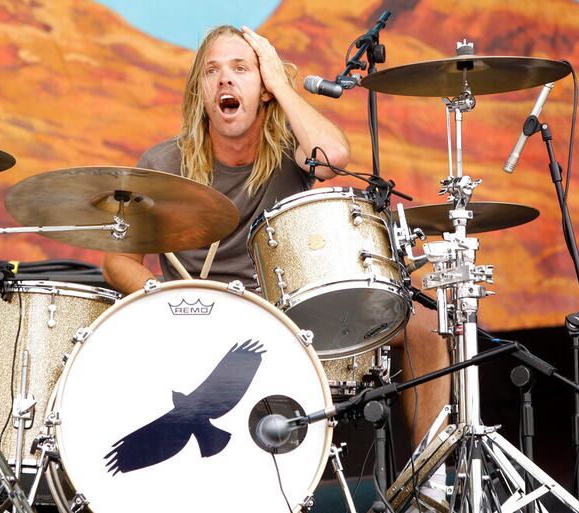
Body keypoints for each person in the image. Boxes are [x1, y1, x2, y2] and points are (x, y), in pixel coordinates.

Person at [103, 24, 449, 474]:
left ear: (263, 87)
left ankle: (430, 478)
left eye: (241, 69)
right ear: (200, 92)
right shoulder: (163, 164)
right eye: (212, 71)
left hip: (289, 316)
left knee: (425, 318)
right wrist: (169, 300)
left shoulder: (292, 151)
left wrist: (281, 84)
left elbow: (334, 155)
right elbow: (118, 261)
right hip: (200, 323)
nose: (225, 79)